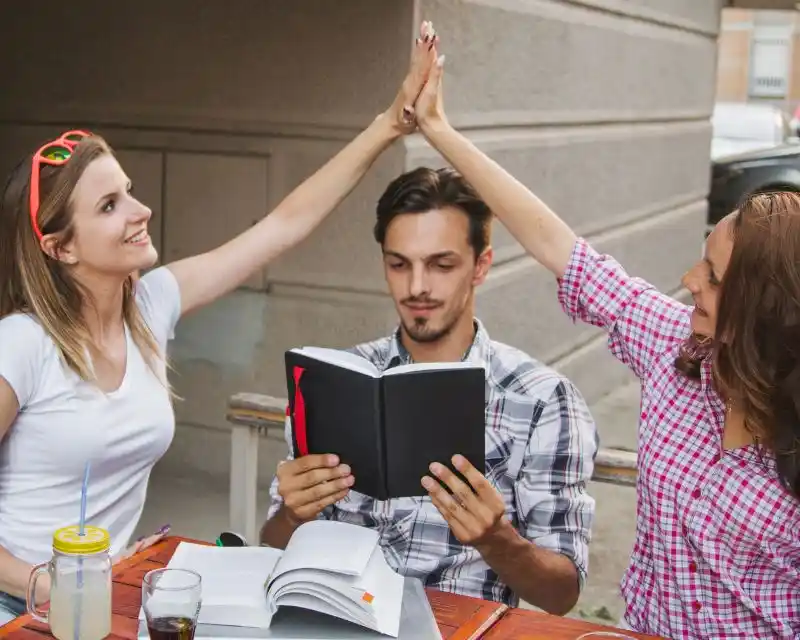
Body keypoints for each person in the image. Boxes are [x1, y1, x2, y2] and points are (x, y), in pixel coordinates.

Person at [0, 22, 440, 624]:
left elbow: (283, 226)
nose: (141, 210)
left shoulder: (150, 309)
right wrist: (39, 582)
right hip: (17, 603)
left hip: (98, 604)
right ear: (61, 249)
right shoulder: (21, 345)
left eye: (128, 191)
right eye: (110, 206)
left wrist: (392, 122)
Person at [396, 48, 800, 638]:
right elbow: (561, 247)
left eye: (712, 277)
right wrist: (439, 130)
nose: (689, 281)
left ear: (763, 313)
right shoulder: (674, 348)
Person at [260, 165, 599, 613]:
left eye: (441, 265)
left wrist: (495, 539)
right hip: (335, 621)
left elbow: (562, 594)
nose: (417, 287)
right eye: (399, 264)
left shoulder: (541, 399)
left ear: (481, 266)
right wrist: (292, 513)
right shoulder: (336, 380)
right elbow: (271, 544)